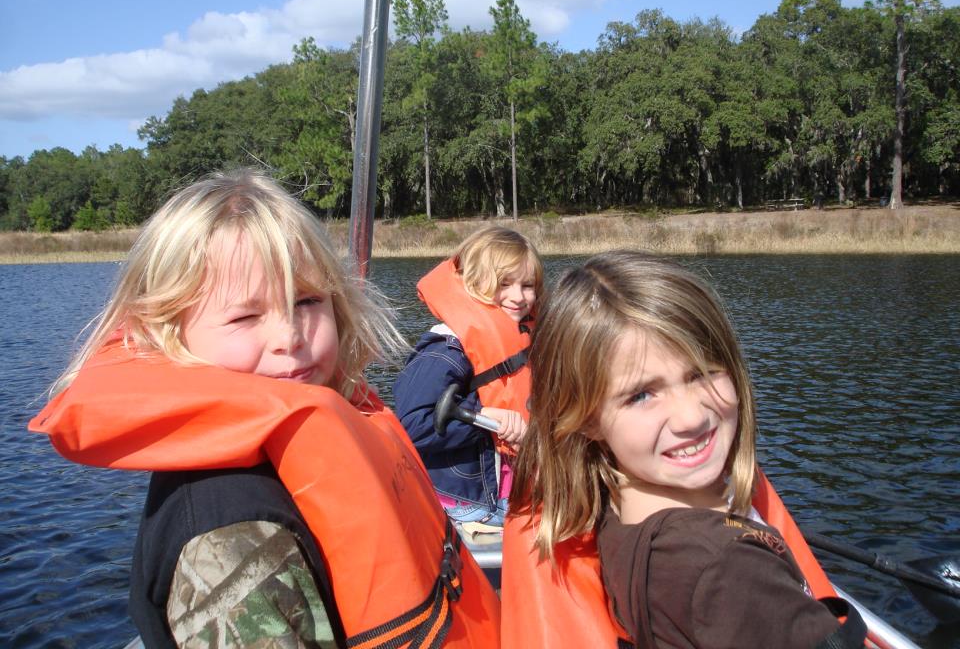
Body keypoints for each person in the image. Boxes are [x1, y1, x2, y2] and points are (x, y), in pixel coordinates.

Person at [29, 171, 500, 649]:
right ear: (168, 333)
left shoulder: (342, 420)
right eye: (246, 316)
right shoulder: (229, 535)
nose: (289, 338)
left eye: (308, 301)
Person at [504, 251, 866, 649]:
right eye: (641, 395)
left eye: (702, 373)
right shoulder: (728, 568)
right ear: (588, 419)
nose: (690, 417)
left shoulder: (622, 513)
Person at [393, 227, 543, 528]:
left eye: (528, 285)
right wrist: (481, 417)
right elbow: (411, 426)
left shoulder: (526, 341)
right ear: (474, 284)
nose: (518, 297)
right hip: (467, 505)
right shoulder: (445, 351)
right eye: (504, 284)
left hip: (510, 492)